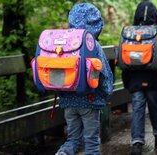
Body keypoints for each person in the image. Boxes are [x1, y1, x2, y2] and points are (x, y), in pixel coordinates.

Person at [55, 3, 114, 155]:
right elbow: (103, 74)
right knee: (92, 143)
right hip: (89, 101)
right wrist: (106, 93)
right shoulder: (91, 44)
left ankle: (63, 153)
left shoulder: (64, 42)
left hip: (68, 101)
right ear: (96, 23)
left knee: (73, 140)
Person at [121, 1, 157, 154]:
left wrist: (127, 81)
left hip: (135, 80)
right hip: (154, 79)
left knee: (137, 109)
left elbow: (123, 59)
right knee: (156, 107)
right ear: (155, 15)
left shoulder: (129, 33)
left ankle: (137, 143)